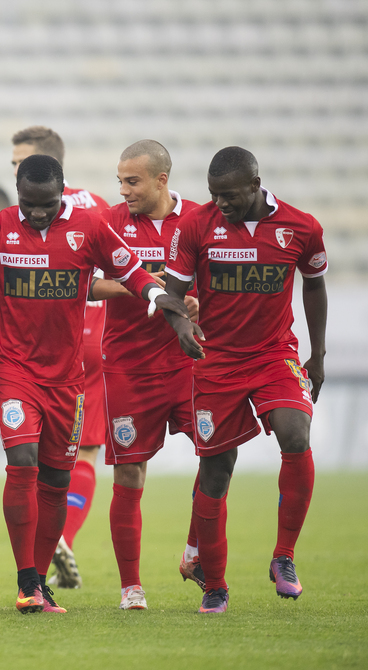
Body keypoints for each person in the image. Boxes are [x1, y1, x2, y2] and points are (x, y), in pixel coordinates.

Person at [0, 154, 191, 615]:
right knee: (23, 460)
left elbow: (133, 273)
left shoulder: (89, 227)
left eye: (47, 204)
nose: (37, 213)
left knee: (57, 479)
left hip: (67, 379)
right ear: (18, 194)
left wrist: (164, 301)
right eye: (29, 204)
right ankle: (26, 581)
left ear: (62, 192)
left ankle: (38, 582)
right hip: (15, 370)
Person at [162, 146, 327, 613]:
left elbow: (314, 284)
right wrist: (181, 329)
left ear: (255, 185)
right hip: (216, 362)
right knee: (217, 469)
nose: (221, 204)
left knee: (296, 433)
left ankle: (284, 558)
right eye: (215, 195)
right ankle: (215, 586)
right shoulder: (197, 226)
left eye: (230, 196)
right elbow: (171, 293)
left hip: (275, 354)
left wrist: (319, 354)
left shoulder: (301, 227)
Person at [89, 140, 201, 609]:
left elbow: (216, 280)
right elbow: (86, 283)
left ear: (161, 180)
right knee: (130, 473)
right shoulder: (109, 224)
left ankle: (197, 551)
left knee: (216, 458)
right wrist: (142, 289)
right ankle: (130, 588)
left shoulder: (198, 220)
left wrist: (196, 303)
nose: (123, 190)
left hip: (190, 361)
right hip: (128, 366)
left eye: (131, 181)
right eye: (119, 180)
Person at [11, 126, 110, 588]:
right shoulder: (101, 208)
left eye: (19, 163)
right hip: (95, 339)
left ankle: (52, 543)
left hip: (54, 339)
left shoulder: (29, 214)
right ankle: (63, 536)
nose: (14, 170)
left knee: (34, 453)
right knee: (83, 451)